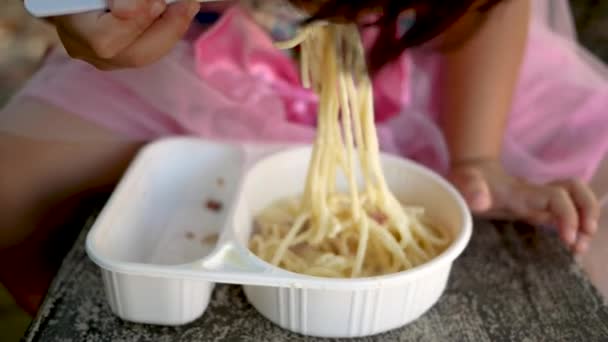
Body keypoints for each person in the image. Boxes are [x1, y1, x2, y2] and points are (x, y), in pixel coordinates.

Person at [1, 0, 607, 314]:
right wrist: (80, 11)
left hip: (420, 53)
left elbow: (485, 7)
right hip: (193, 50)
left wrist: (477, 158)